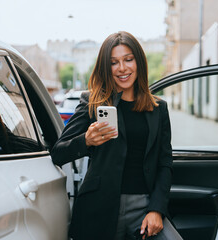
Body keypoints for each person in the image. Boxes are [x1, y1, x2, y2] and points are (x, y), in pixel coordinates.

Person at [51, 31, 182, 240]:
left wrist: (157, 209)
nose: (122, 68)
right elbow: (58, 153)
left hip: (144, 207)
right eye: (114, 62)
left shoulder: (159, 108)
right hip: (99, 207)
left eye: (128, 60)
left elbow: (164, 162)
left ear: (138, 62)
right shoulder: (91, 102)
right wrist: (86, 141)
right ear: (106, 67)